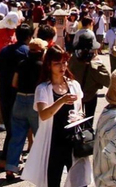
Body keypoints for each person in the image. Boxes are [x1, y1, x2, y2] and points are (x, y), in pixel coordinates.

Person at [21, 45, 91, 187]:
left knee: (80, 181)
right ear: (49, 65)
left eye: (64, 62)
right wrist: (61, 101)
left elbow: (80, 108)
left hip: (74, 140)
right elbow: (44, 114)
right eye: (57, 63)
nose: (62, 66)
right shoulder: (43, 89)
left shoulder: (73, 85)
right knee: (52, 181)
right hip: (53, 142)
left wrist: (80, 116)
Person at [5, 38, 47, 180]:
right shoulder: (42, 66)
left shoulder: (22, 64)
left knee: (16, 137)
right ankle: (41, 167)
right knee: (40, 135)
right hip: (36, 101)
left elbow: (14, 83)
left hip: (20, 99)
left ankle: (10, 168)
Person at [0, 24, 33, 171]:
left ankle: (5, 161)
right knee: (18, 130)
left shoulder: (4, 51)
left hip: (4, 94)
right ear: (29, 37)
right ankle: (9, 162)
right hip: (20, 95)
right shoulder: (28, 53)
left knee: (11, 129)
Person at [69, 33, 110, 118]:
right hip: (90, 96)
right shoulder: (95, 65)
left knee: (75, 120)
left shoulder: (72, 60)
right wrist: (99, 63)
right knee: (89, 119)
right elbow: (108, 81)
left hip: (75, 95)